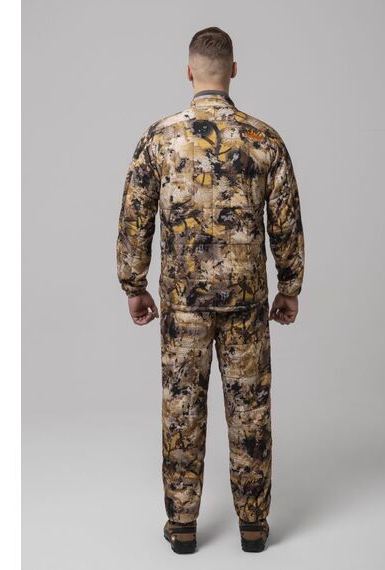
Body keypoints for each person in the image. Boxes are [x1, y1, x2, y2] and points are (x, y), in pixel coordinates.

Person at [117, 26, 305, 554]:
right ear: (233, 71)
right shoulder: (264, 140)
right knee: (250, 413)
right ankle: (253, 528)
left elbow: (135, 218)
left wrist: (134, 284)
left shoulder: (160, 138)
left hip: (183, 306)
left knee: (182, 411)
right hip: (247, 304)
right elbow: (286, 222)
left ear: (189, 71)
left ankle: (182, 527)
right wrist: (289, 286)